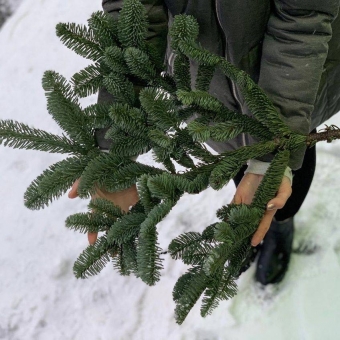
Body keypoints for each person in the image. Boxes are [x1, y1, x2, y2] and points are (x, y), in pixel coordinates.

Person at [69, 0, 340, 285]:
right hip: (205, 78)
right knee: (233, 149)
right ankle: (256, 219)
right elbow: (135, 15)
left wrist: (272, 156)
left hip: (296, 73)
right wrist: (116, 149)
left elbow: (301, 19)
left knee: (293, 150)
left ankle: (281, 225)